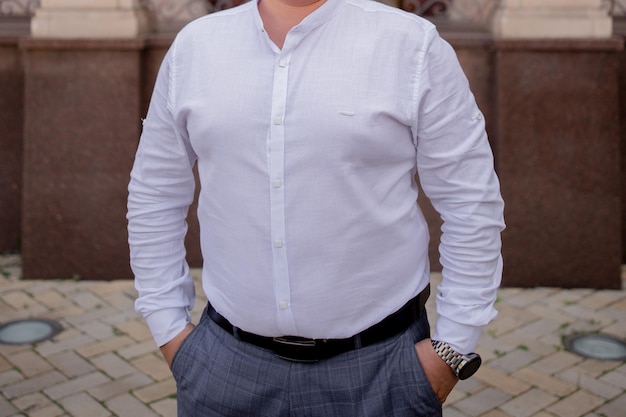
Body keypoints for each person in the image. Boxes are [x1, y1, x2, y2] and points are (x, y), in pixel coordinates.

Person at [127, 0, 505, 415]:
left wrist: (450, 351)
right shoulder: (195, 48)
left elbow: (470, 201)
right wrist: (171, 332)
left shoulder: (411, 46)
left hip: (381, 371)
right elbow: (155, 194)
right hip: (224, 367)